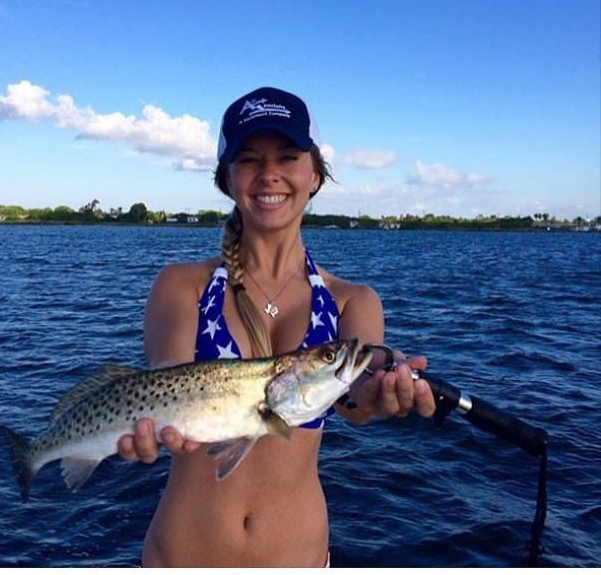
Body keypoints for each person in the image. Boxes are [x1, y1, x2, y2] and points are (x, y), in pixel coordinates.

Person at [117, 86, 436, 567]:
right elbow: (168, 374)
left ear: (315, 175)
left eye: (288, 156)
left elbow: (357, 398)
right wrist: (149, 428)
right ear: (227, 178)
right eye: (249, 159)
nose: (269, 174)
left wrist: (380, 391)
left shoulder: (353, 300)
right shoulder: (181, 285)